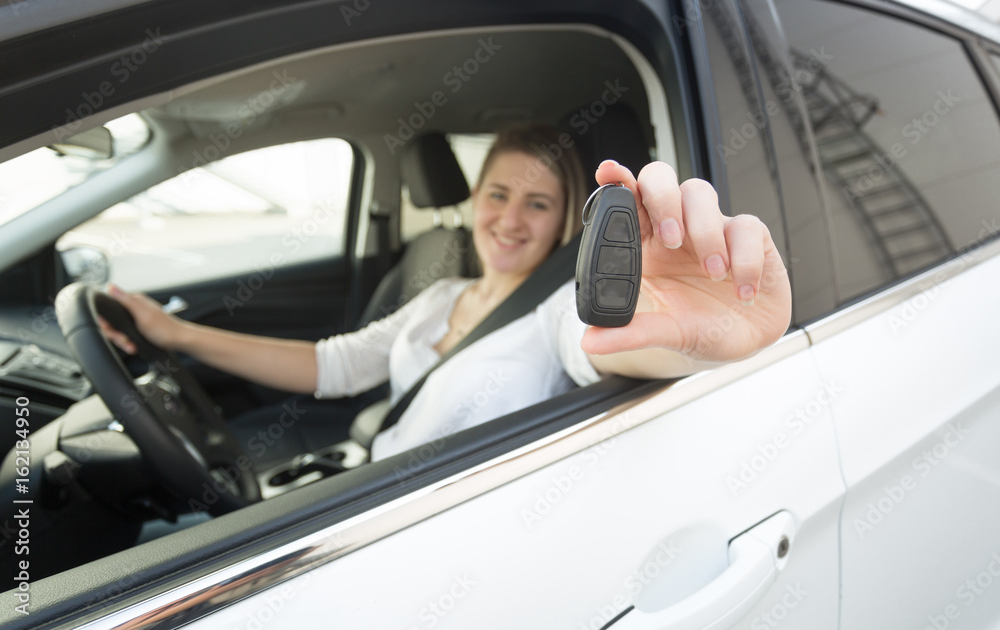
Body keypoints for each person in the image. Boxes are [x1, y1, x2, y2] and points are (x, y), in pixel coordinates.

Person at [102, 125, 791, 465]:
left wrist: (692, 336)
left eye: (539, 203)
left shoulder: (558, 311)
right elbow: (332, 364)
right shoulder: (441, 295)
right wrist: (177, 334)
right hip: (367, 488)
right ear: (473, 201)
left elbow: (612, 351)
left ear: (562, 225)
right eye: (498, 194)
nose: (511, 219)